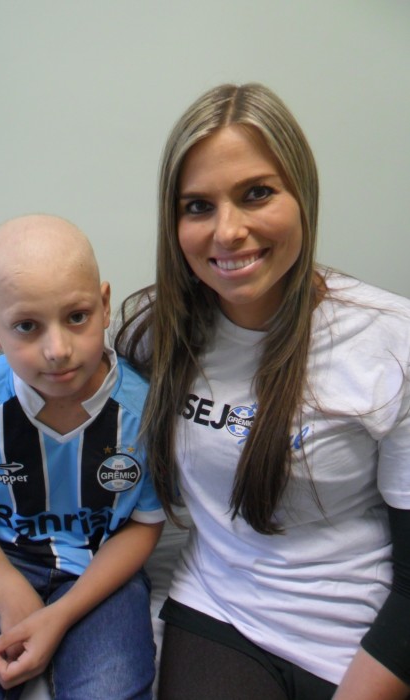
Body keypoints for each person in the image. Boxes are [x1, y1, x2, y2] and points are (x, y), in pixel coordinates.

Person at [115, 83, 410, 700]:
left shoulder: (390, 344)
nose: (228, 231)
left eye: (256, 194)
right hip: (223, 614)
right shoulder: (155, 336)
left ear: (302, 193)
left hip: (362, 627)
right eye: (198, 206)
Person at [0, 214, 165, 700]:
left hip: (100, 569)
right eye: (26, 326)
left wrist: (60, 615)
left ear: (105, 305)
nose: (57, 350)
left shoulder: (146, 411)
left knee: (112, 689)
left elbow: (144, 524)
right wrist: (7, 590)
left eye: (77, 317)